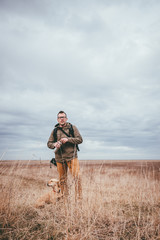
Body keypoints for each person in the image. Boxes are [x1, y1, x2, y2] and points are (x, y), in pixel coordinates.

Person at [47, 111, 83, 201]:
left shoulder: (72, 127)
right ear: (57, 119)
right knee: (62, 180)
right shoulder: (55, 130)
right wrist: (55, 144)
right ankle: (64, 198)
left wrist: (68, 139)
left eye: (63, 117)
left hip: (72, 157)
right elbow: (49, 144)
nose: (61, 119)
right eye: (59, 117)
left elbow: (80, 139)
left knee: (77, 178)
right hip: (59, 158)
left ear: (66, 119)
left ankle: (79, 199)